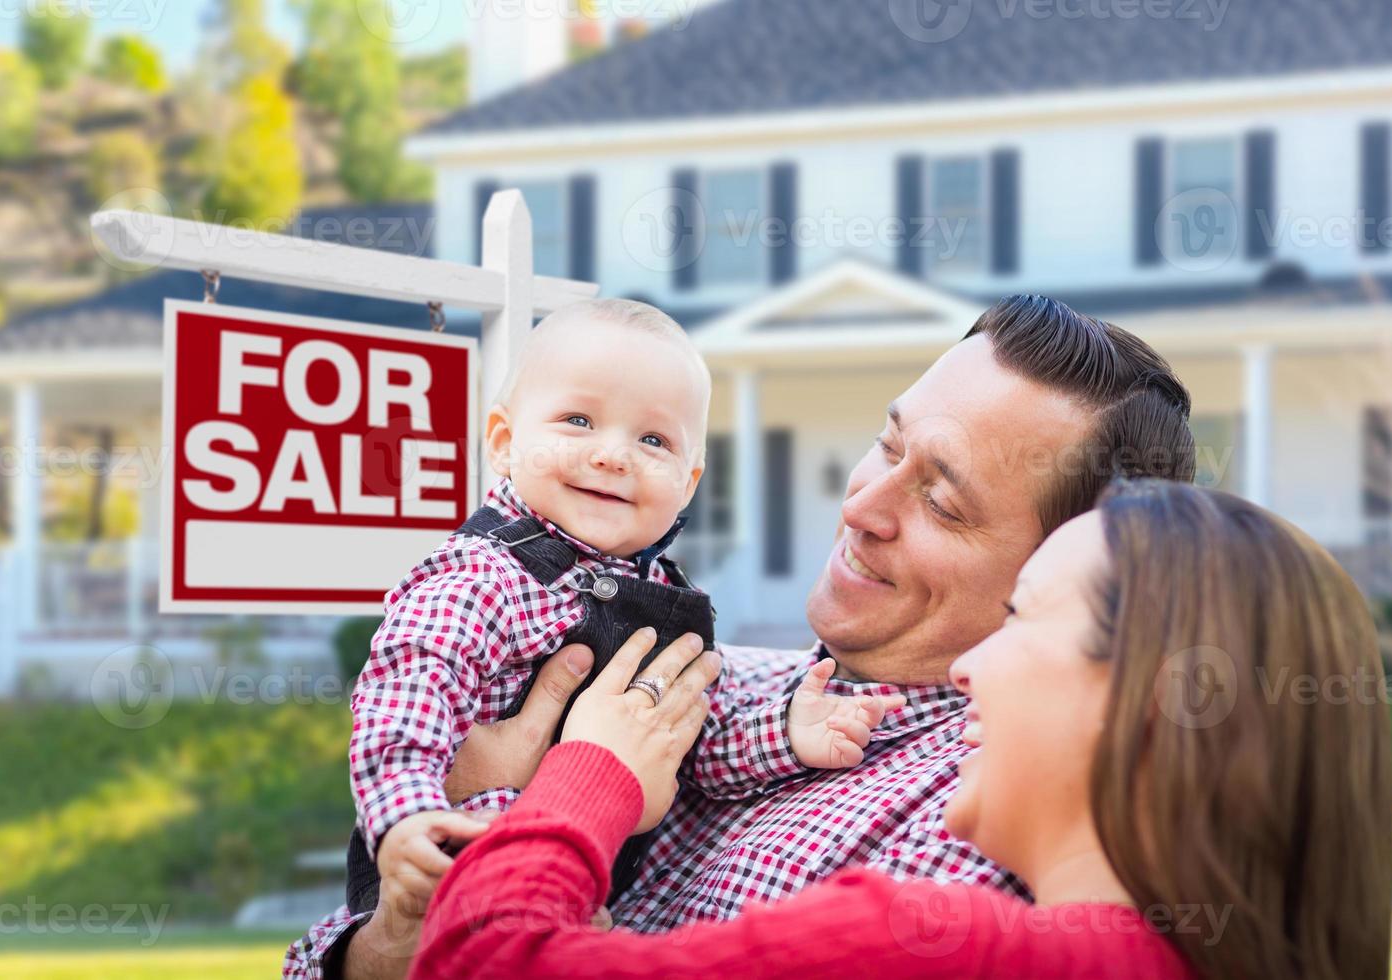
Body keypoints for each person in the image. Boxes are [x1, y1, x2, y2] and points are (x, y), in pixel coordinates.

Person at [284, 295, 1197, 978]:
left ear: (1072, 564)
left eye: (942, 503)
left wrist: (574, 781)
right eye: (887, 447)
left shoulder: (977, 827)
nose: (862, 505)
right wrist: (390, 932)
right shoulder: (724, 682)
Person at [412, 480, 1392, 980]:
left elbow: (482, 961)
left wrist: (586, 770)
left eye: (1019, 617)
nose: (968, 668)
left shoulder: (925, 944)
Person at [333, 299, 902, 936]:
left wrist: (785, 731)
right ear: (503, 442)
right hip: (453, 863)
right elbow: (406, 693)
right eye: (578, 420)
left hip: (577, 895)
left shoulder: (666, 600)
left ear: (688, 483)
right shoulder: (483, 576)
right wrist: (405, 816)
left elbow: (688, 751)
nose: (613, 455)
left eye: (652, 439)